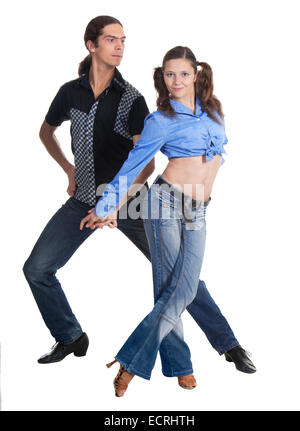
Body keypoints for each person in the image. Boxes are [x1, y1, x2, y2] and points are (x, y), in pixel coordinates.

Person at [23, 16, 255, 383]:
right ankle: (70, 337)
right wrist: (68, 169)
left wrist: (115, 204)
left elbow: (141, 166)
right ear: (91, 45)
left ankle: (226, 344)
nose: (119, 46)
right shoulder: (70, 92)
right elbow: (46, 132)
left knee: (180, 278)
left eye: (123, 40)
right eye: (111, 39)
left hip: (132, 202)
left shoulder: (132, 98)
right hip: (85, 197)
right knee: (37, 269)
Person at [80, 45, 256, 396]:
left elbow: (216, 158)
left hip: (199, 208)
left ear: (197, 74)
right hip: (164, 202)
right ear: (162, 77)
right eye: (169, 74)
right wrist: (107, 205)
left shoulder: (214, 112)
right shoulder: (160, 119)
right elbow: (134, 165)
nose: (176, 80)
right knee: (174, 288)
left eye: (183, 73)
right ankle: (181, 367)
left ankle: (131, 361)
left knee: (182, 286)